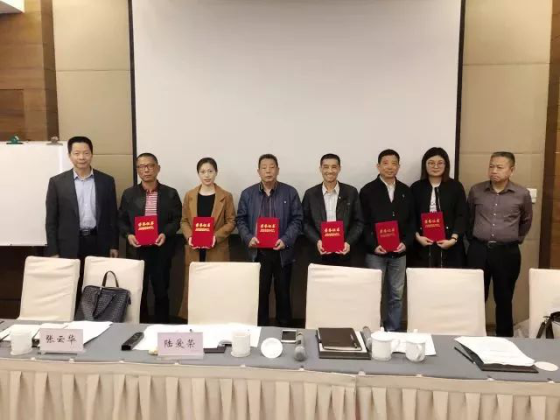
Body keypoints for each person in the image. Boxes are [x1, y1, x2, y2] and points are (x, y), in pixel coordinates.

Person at [467, 152, 532, 337]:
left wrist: (514, 238)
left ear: (511, 170)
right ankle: (472, 336)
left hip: (507, 252)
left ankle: (505, 339)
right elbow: (470, 217)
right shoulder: (476, 190)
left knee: (504, 298)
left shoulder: (521, 194)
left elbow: (526, 221)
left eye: (499, 167)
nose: (494, 171)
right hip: (478, 250)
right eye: (491, 166)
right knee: (475, 296)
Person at [45, 136, 118, 301]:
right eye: (77, 153)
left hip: (98, 241)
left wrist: (114, 245)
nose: (81, 157)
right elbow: (51, 220)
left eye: (86, 153)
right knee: (71, 290)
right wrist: (53, 251)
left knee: (97, 288)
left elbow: (112, 216)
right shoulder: (57, 182)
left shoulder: (106, 181)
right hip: (68, 244)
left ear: (92, 154)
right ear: (69, 156)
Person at [236, 154, 303, 327]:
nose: (268, 171)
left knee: (283, 294)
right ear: (258, 171)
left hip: (282, 252)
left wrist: (285, 240)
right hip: (257, 253)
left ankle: (284, 331)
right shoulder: (248, 194)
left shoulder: (290, 192)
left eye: (272, 167)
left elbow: (297, 220)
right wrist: (248, 237)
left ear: (278, 170)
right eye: (264, 167)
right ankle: (260, 330)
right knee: (259, 294)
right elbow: (241, 219)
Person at [118, 153, 182, 323]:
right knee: (139, 291)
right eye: (141, 166)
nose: (146, 170)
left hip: (161, 249)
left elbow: (177, 219)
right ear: (137, 170)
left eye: (150, 165)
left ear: (158, 168)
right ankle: (141, 328)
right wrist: (128, 235)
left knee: (161, 291)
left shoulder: (170, 193)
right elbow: (121, 220)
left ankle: (162, 327)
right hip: (137, 250)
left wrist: (165, 233)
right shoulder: (129, 194)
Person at [359, 149, 415, 331]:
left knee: (396, 295)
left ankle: (393, 330)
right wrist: (373, 245)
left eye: (394, 163)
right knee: (373, 293)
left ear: (399, 166)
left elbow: (412, 222)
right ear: (378, 166)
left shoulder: (406, 191)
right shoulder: (367, 191)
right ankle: (373, 330)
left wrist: (406, 243)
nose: (390, 167)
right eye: (385, 163)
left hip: (400, 253)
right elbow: (363, 222)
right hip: (376, 253)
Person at [179, 157, 236, 320]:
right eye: (203, 171)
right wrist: (190, 236)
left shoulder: (226, 196)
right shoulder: (189, 195)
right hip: (195, 250)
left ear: (216, 172)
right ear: (198, 174)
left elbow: (231, 221)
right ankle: (195, 322)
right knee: (195, 290)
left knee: (216, 289)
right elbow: (184, 221)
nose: (207, 175)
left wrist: (215, 237)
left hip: (216, 249)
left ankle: (216, 321)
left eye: (210, 171)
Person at [302, 153, 364, 265]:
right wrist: (317, 241)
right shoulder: (310, 194)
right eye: (326, 167)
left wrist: (348, 242)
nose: (330, 171)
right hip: (318, 252)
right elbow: (305, 222)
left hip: (344, 252)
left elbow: (359, 222)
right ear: (320, 169)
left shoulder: (351, 192)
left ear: (339, 168)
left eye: (334, 167)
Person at [410, 147, 467, 268]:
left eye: (440, 163)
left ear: (446, 165)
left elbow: (461, 215)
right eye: (431, 163)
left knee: (447, 278)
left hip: (449, 242)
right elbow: (411, 215)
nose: (435, 166)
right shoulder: (416, 187)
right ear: (425, 165)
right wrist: (417, 237)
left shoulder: (455, 187)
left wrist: (453, 239)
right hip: (422, 244)